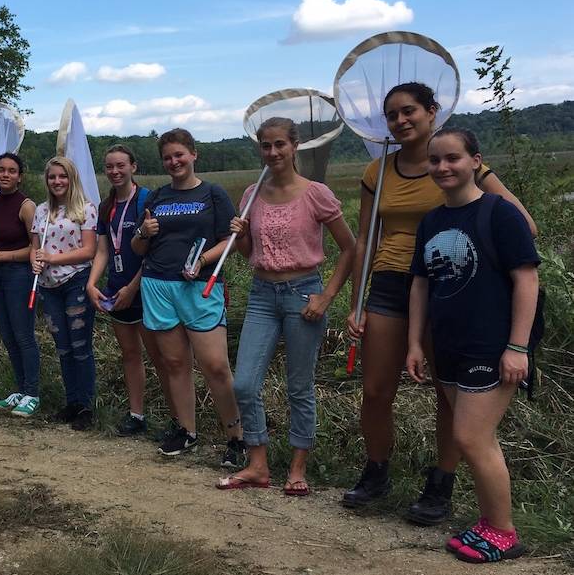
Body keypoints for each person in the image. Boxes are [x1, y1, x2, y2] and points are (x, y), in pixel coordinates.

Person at [343, 83, 537, 523]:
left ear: (433, 112)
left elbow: (523, 225)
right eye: (391, 115)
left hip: (451, 284)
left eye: (409, 111)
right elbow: (363, 241)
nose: (400, 121)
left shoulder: (454, 161)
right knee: (375, 390)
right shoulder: (378, 172)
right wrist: (356, 304)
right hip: (394, 283)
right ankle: (376, 472)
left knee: (448, 398)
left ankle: (441, 484)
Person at [406, 127, 538, 562]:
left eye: (453, 158)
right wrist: (414, 344)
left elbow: (526, 279)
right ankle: (487, 522)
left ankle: (503, 533)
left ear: (476, 162)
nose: (443, 167)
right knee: (474, 440)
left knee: (471, 436)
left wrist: (517, 347)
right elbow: (421, 286)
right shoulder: (432, 221)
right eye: (435, 160)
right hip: (448, 344)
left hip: (492, 344)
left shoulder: (501, 214)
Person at [217, 118, 355, 494]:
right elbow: (249, 255)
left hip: (303, 294)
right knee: (244, 383)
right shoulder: (251, 194)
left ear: (295, 146)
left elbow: (350, 248)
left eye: (280, 144)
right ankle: (258, 465)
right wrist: (242, 237)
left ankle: (297, 467)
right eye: (265, 145)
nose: (273, 152)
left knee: (299, 386)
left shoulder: (316, 194)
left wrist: (326, 296)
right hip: (263, 295)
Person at [131, 128, 245, 467]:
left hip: (200, 287)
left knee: (215, 366)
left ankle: (237, 439)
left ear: (193, 154)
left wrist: (203, 261)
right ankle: (186, 431)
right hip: (157, 285)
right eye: (167, 157)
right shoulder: (156, 198)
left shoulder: (213, 193)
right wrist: (142, 233)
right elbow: (139, 248)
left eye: (179, 154)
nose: (174, 161)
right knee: (175, 364)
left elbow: (231, 241)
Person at [86, 145, 170, 436]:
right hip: (116, 290)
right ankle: (137, 415)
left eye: (121, 165)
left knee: (160, 356)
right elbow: (103, 250)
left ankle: (178, 420)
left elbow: (154, 254)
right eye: (109, 167)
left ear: (134, 166)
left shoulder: (147, 199)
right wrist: (91, 283)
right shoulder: (106, 206)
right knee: (130, 354)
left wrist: (134, 287)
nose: (115, 172)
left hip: (144, 290)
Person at [30, 156, 98, 430]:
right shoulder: (41, 211)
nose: (57, 182)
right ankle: (71, 402)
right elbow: (34, 248)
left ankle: (86, 406)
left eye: (62, 176)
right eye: (52, 177)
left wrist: (52, 259)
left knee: (81, 345)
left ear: (71, 179)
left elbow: (88, 250)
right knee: (63, 348)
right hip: (48, 287)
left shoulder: (85, 209)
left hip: (75, 281)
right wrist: (35, 260)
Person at [0, 153, 41, 417]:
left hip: (20, 275)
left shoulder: (26, 206)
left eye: (11, 171)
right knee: (8, 335)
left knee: (24, 335)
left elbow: (35, 250)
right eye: (0, 170)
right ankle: (20, 390)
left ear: (19, 176)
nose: (5, 174)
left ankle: (33, 393)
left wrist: (3, 256)